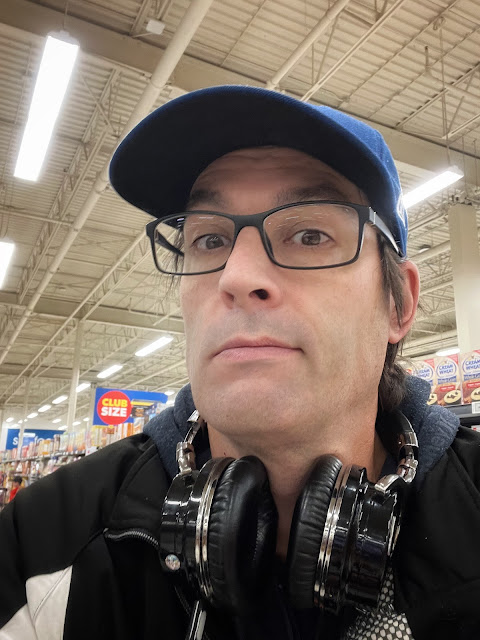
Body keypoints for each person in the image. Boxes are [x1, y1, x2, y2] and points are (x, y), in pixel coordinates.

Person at [0, 85, 479, 640]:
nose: (238, 276)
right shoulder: (43, 545)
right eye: (208, 240)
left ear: (399, 305)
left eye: (309, 234)